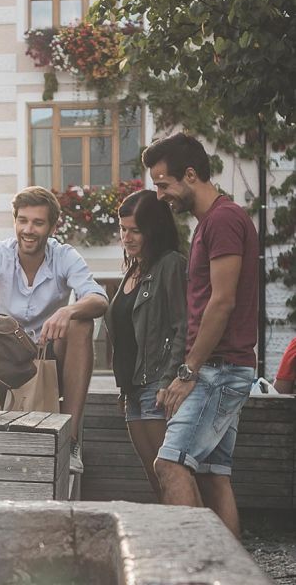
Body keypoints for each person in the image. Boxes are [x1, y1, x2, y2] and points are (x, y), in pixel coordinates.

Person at [145, 132, 258, 537]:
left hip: (219, 369)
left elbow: (222, 302)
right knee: (213, 475)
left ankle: (196, 570)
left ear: (190, 175)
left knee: (170, 464)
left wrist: (188, 371)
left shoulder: (223, 221)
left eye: (162, 184)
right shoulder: (214, 222)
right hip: (222, 368)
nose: (160, 195)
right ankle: (232, 574)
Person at [0, 186, 108, 474]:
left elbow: (98, 299)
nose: (28, 229)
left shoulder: (64, 256)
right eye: (22, 220)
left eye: (37, 222)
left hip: (49, 352)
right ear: (15, 221)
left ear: (51, 227)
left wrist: (68, 310)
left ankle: (71, 440)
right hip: (2, 353)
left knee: (81, 324)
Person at [103, 189, 186, 499]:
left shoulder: (170, 264)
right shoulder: (133, 270)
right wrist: (124, 386)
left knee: (171, 476)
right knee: (155, 481)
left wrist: (168, 381)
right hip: (133, 390)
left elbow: (183, 327)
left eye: (135, 230)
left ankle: (194, 541)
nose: (127, 237)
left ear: (154, 229)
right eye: (123, 229)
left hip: (157, 387)